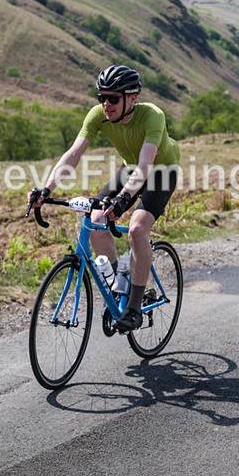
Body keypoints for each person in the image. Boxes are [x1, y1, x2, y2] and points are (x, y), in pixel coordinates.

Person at [30, 65, 180, 332]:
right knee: (96, 220)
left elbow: (146, 166)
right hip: (131, 168)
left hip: (161, 171)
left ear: (132, 98)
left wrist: (122, 199)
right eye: (102, 97)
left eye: (113, 98)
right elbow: (74, 154)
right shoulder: (98, 115)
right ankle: (119, 289)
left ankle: (133, 308)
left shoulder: (152, 116)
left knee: (136, 229)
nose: (106, 104)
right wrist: (47, 189)